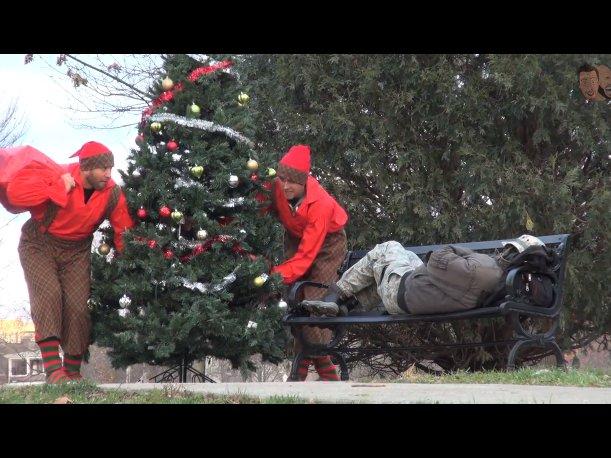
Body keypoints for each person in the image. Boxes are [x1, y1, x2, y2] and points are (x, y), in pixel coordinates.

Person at [6, 141, 134, 383]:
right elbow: (16, 194)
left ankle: (72, 373)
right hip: (39, 244)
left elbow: (123, 230)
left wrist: (126, 262)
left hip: (77, 250)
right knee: (49, 295)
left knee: (78, 306)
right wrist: (55, 188)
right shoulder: (58, 174)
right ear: (86, 168)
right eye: (103, 168)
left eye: (110, 168)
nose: (108, 174)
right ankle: (54, 371)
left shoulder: (112, 193)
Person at [301, 235, 546, 317]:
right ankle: (347, 306)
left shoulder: (484, 268)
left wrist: (459, 251)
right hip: (416, 289)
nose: (502, 251)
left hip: (400, 295)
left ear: (510, 252)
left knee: (388, 247)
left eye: (508, 249)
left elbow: (437, 258)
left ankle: (336, 294)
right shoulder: (499, 280)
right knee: (403, 257)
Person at [269, 144, 348, 381]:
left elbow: (304, 260)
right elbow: (258, 205)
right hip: (296, 235)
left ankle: (324, 372)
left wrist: (272, 275)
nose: (285, 186)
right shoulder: (277, 188)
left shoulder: (320, 205)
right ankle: (301, 371)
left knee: (315, 302)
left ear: (304, 181)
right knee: (294, 300)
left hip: (327, 245)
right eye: (282, 179)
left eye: (291, 181)